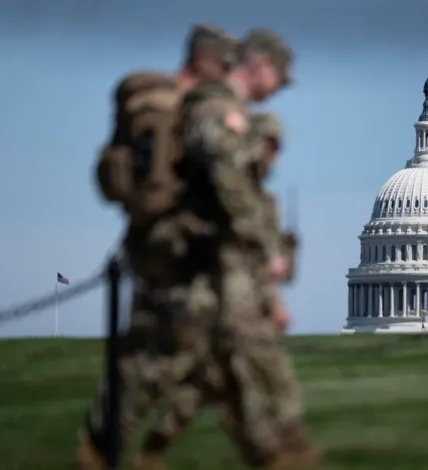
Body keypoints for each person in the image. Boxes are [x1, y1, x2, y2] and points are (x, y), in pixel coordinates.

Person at [131, 29, 314, 470]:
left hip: (226, 279)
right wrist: (264, 252)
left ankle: (276, 450)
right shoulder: (218, 116)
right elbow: (227, 194)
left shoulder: (257, 185)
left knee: (211, 376)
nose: (276, 157)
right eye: (271, 146)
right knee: (191, 367)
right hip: (211, 275)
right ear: (262, 67)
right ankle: (110, 449)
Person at [77, 24, 236, 470]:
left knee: (145, 352)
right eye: (223, 65)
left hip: (142, 239)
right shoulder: (183, 110)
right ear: (207, 61)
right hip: (177, 246)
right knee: (178, 353)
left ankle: (115, 447)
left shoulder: (139, 101)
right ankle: (120, 450)